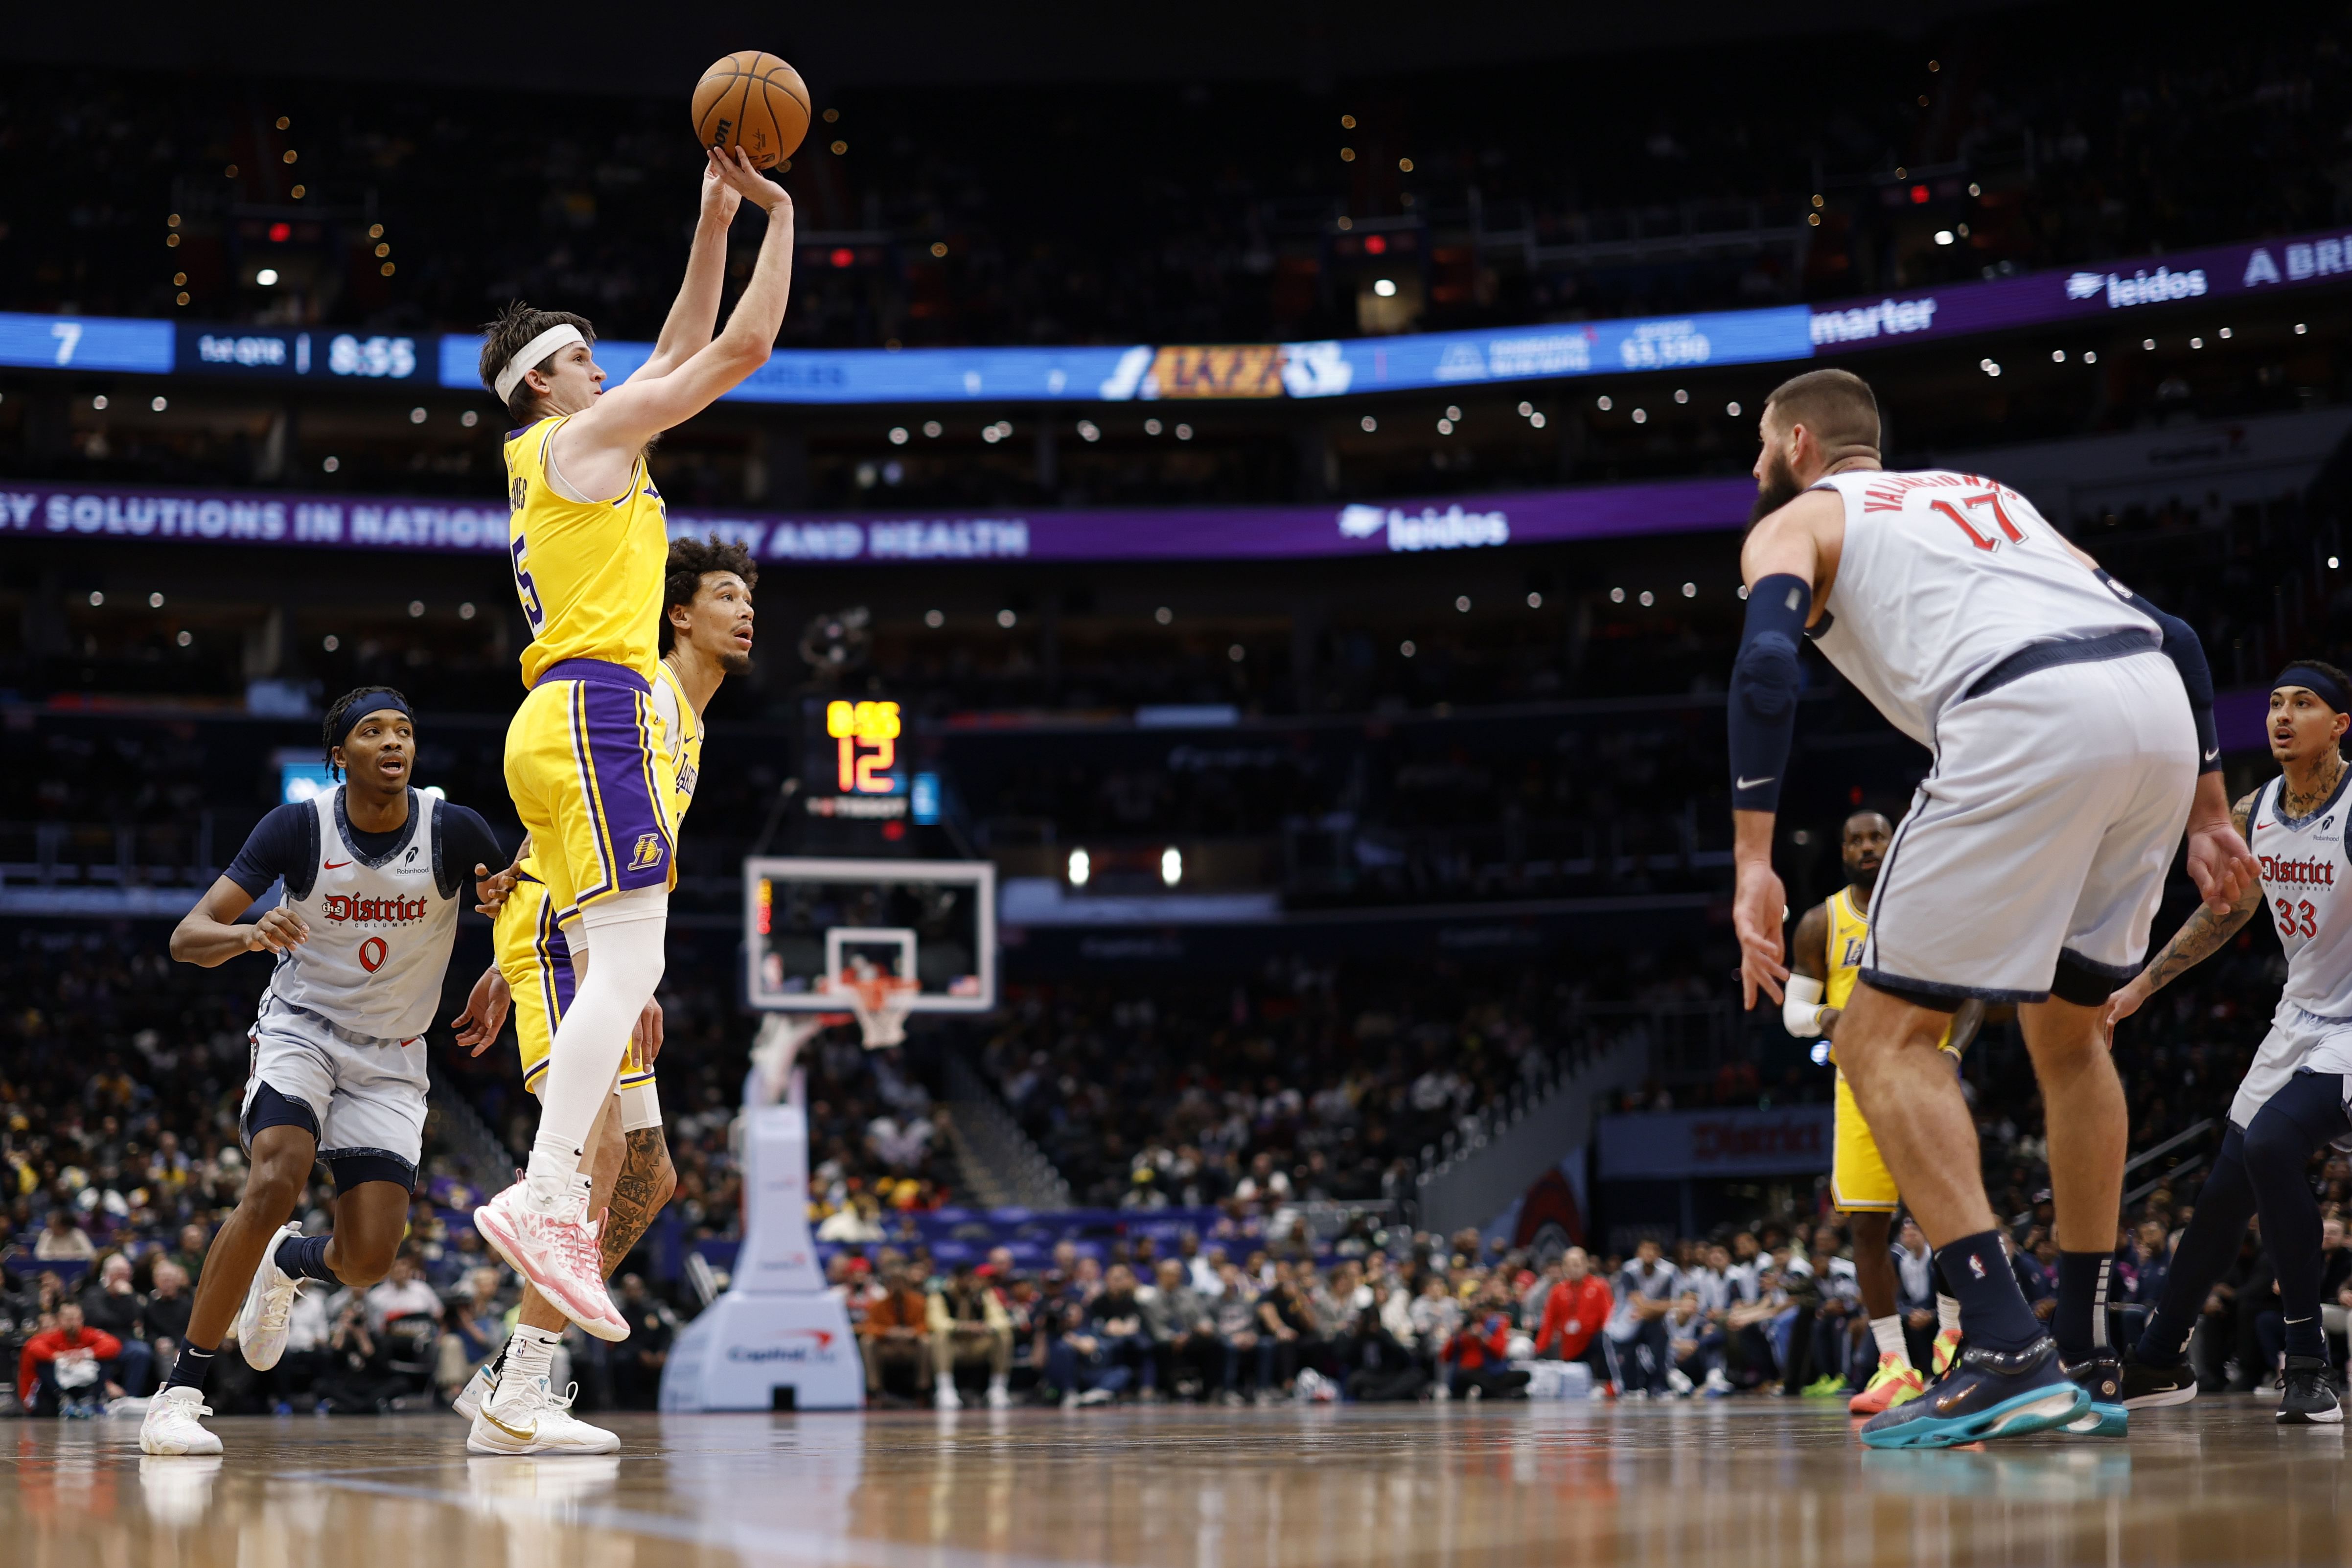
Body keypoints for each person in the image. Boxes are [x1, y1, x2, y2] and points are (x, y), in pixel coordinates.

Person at [1730, 367, 2258, 1448]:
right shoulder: (1989, 499)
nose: (1753, 473)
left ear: (1796, 443)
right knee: (2070, 1039)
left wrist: (1752, 861)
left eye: (1757, 452)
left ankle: (2005, 1346)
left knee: (1879, 1036)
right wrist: (2210, 807)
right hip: (2152, 713)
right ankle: (2084, 1346)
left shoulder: (1798, 520)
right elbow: (2182, 635)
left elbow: (1767, 667)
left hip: (2023, 711)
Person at [470, 145, 795, 1340]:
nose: (602, 369)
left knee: (628, 969)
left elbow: (671, 349)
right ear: (542, 384)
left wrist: (710, 222)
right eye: (577, 360)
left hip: (549, 724)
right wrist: (781, 216)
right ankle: (548, 1193)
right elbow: (735, 351)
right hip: (597, 707)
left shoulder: (567, 451)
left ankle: (549, 1227)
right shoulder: (583, 443)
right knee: (632, 966)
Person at [141, 687, 515, 1457]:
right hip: (301, 1031)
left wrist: (505, 969)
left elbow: (518, 912)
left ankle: (290, 1259)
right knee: (277, 1177)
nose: (393, 743)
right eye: (372, 732)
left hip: (391, 1056)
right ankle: (181, 1392)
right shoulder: (297, 828)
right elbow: (188, 936)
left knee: (369, 1260)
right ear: (339, 756)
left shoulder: (454, 830)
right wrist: (249, 936)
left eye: (405, 731)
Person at [448, 534, 753, 1453]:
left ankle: (514, 1378)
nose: (747, 612)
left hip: (592, 929)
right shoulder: (648, 694)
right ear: (679, 613)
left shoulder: (691, 720)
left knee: (648, 1174)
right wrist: (557, 955)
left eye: (751, 598)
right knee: (605, 1147)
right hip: (562, 923)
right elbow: (570, 823)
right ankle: (519, 1390)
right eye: (729, 595)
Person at [2105, 662, 2352, 1422]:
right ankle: (2156, 1360)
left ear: (2340, 723)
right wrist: (2140, 987)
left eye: (2303, 704)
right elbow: (2223, 915)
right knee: (2221, 1194)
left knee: (2274, 1147)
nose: (2282, 715)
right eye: (2274, 703)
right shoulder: (2255, 812)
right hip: (2300, 1017)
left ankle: (2306, 1366)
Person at [1783, 807, 1980, 1414]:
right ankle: (1895, 1363)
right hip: (1858, 1089)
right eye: (1855, 839)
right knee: (1867, 1227)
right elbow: (1794, 1014)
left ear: (1896, 843)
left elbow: (1973, 995)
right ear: (1842, 851)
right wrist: (1829, 1018)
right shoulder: (1821, 922)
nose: (1867, 846)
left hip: (1922, 1083)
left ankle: (1952, 1344)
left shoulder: (1928, 909)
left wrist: (1950, 1053)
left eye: (1877, 837)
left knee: (1946, 1219)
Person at [930, 1262, 1015, 1409]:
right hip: (955, 1347)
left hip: (977, 1346)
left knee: (1004, 1336)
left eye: (970, 1279)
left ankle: (998, 1389)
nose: (967, 1283)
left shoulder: (983, 1294)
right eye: (963, 1278)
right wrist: (963, 1327)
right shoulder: (941, 1295)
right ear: (955, 1279)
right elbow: (937, 1322)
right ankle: (946, 1390)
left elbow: (1001, 1320)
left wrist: (987, 1327)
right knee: (940, 1337)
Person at [1533, 1247, 1617, 1391]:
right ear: (1564, 1267)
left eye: (1577, 1265)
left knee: (1604, 1339)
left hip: (1593, 1342)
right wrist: (1538, 1349)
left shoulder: (1599, 1287)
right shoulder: (1557, 1291)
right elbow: (1549, 1321)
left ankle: (1607, 1384)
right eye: (1569, 1265)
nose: (1574, 1269)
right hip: (1570, 1345)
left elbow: (1608, 1316)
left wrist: (1610, 1337)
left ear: (1586, 1265)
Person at [18, 1301, 123, 1417]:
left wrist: (85, 1354)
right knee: (43, 1364)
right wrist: (58, 1356)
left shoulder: (88, 1334)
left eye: (76, 1319)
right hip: (57, 1389)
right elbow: (33, 1346)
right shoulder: (54, 1337)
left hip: (86, 1385)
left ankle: (95, 1402)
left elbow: (113, 1344)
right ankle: (65, 1401)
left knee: (104, 1361)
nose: (73, 1323)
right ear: (60, 1320)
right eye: (68, 1319)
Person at [1604, 1239, 1680, 1398]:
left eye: (1654, 1249)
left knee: (1661, 1337)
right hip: (1625, 1323)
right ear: (1638, 1253)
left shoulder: (1668, 1271)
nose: (1649, 1253)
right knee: (1627, 1356)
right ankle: (1630, 1388)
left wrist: (1653, 1309)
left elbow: (1662, 1305)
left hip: (1652, 1320)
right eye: (1645, 1249)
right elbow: (1640, 1303)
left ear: (1660, 1254)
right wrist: (1677, 1304)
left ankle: (1659, 1387)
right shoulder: (1629, 1271)